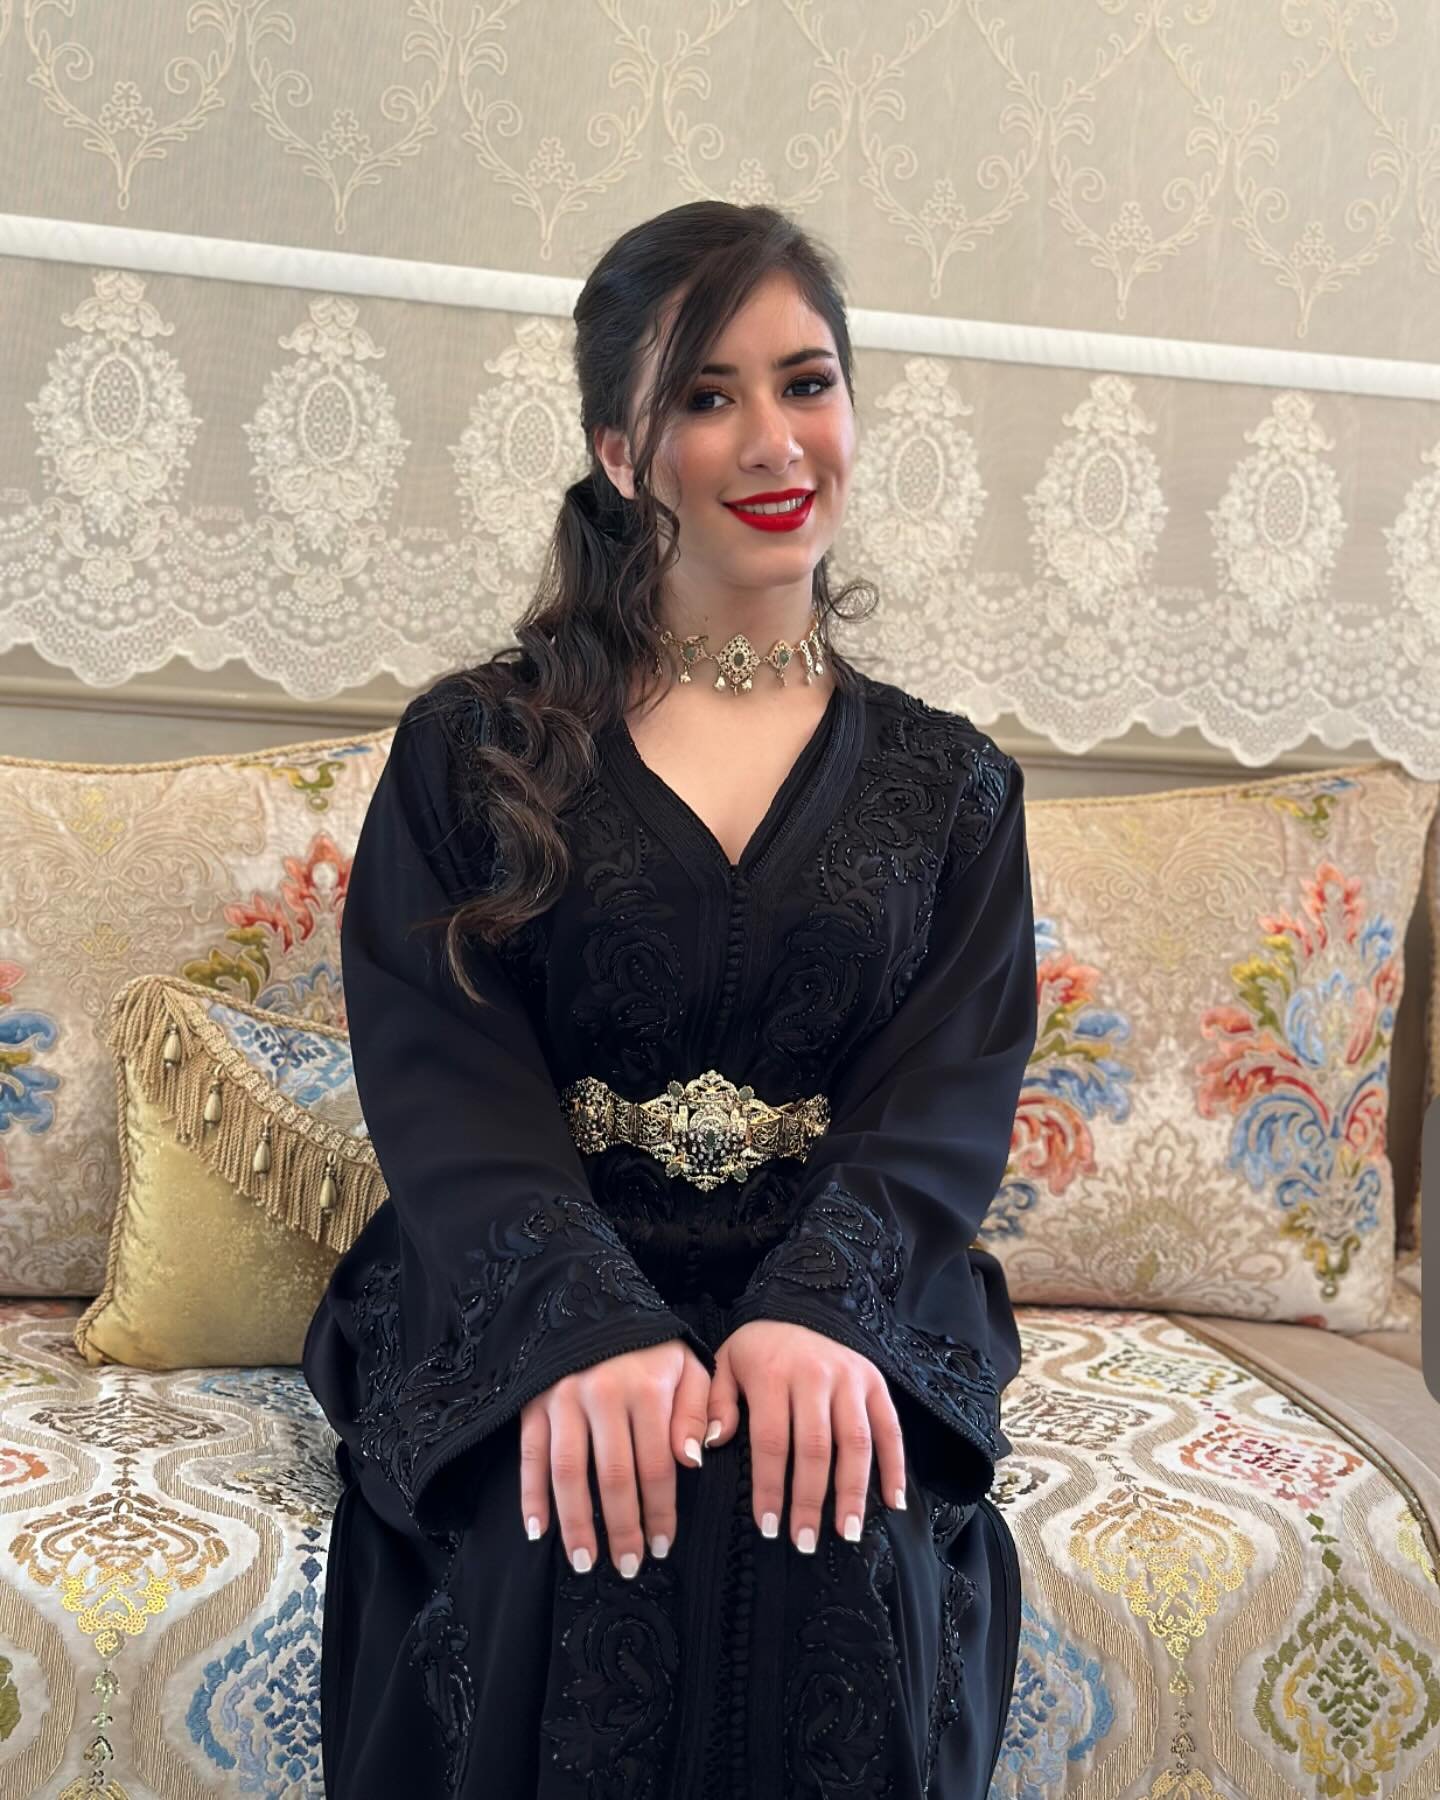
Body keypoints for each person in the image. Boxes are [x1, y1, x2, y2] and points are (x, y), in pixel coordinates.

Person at [301, 199, 1036, 1798]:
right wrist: (581, 1327)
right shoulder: (471, 752)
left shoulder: (955, 787)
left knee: (827, 1519)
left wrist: (820, 1314)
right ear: (621, 451)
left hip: (845, 1276)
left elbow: (943, 1099)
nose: (774, 440)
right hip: (518, 1275)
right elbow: (444, 1075)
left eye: (807, 382)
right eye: (708, 396)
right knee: (580, 1523)